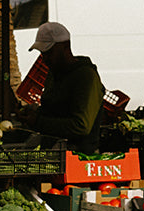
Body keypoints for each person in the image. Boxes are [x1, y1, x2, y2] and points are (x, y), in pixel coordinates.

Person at [26, 21, 105, 151]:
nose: (45, 58)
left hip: (79, 156)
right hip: (55, 153)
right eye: (42, 53)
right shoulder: (53, 73)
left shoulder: (86, 76)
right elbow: (54, 110)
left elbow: (81, 126)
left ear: (65, 47)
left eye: (49, 52)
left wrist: (38, 122)